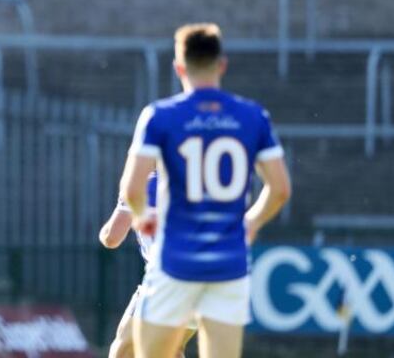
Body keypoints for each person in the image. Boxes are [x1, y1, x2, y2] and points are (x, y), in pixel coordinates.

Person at [119, 23, 292, 358]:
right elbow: (280, 189)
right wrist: (252, 223)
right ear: (222, 64)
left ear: (179, 67)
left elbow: (133, 187)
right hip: (227, 264)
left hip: (174, 262)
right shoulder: (252, 116)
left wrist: (144, 219)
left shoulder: (160, 116)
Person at [99, 173, 191, 358]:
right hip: (210, 278)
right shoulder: (201, 179)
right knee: (172, 350)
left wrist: (104, 231)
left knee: (123, 352)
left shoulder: (143, 183)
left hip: (166, 281)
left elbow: (112, 239)